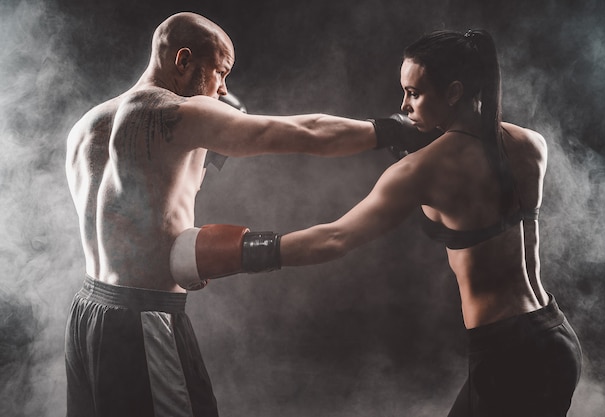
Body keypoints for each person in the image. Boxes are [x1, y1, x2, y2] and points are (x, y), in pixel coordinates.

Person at [171, 30, 583, 417]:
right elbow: (481, 173)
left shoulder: (420, 172)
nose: (404, 106)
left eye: (414, 93)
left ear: (454, 92)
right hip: (555, 336)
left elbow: (335, 238)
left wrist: (239, 253)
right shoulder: (531, 144)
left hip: (507, 357)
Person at [64, 11, 428, 417]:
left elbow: (140, 208)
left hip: (87, 314)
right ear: (184, 62)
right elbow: (305, 132)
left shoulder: (88, 125)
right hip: (143, 321)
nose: (223, 88)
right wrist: (390, 129)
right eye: (220, 72)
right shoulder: (181, 114)